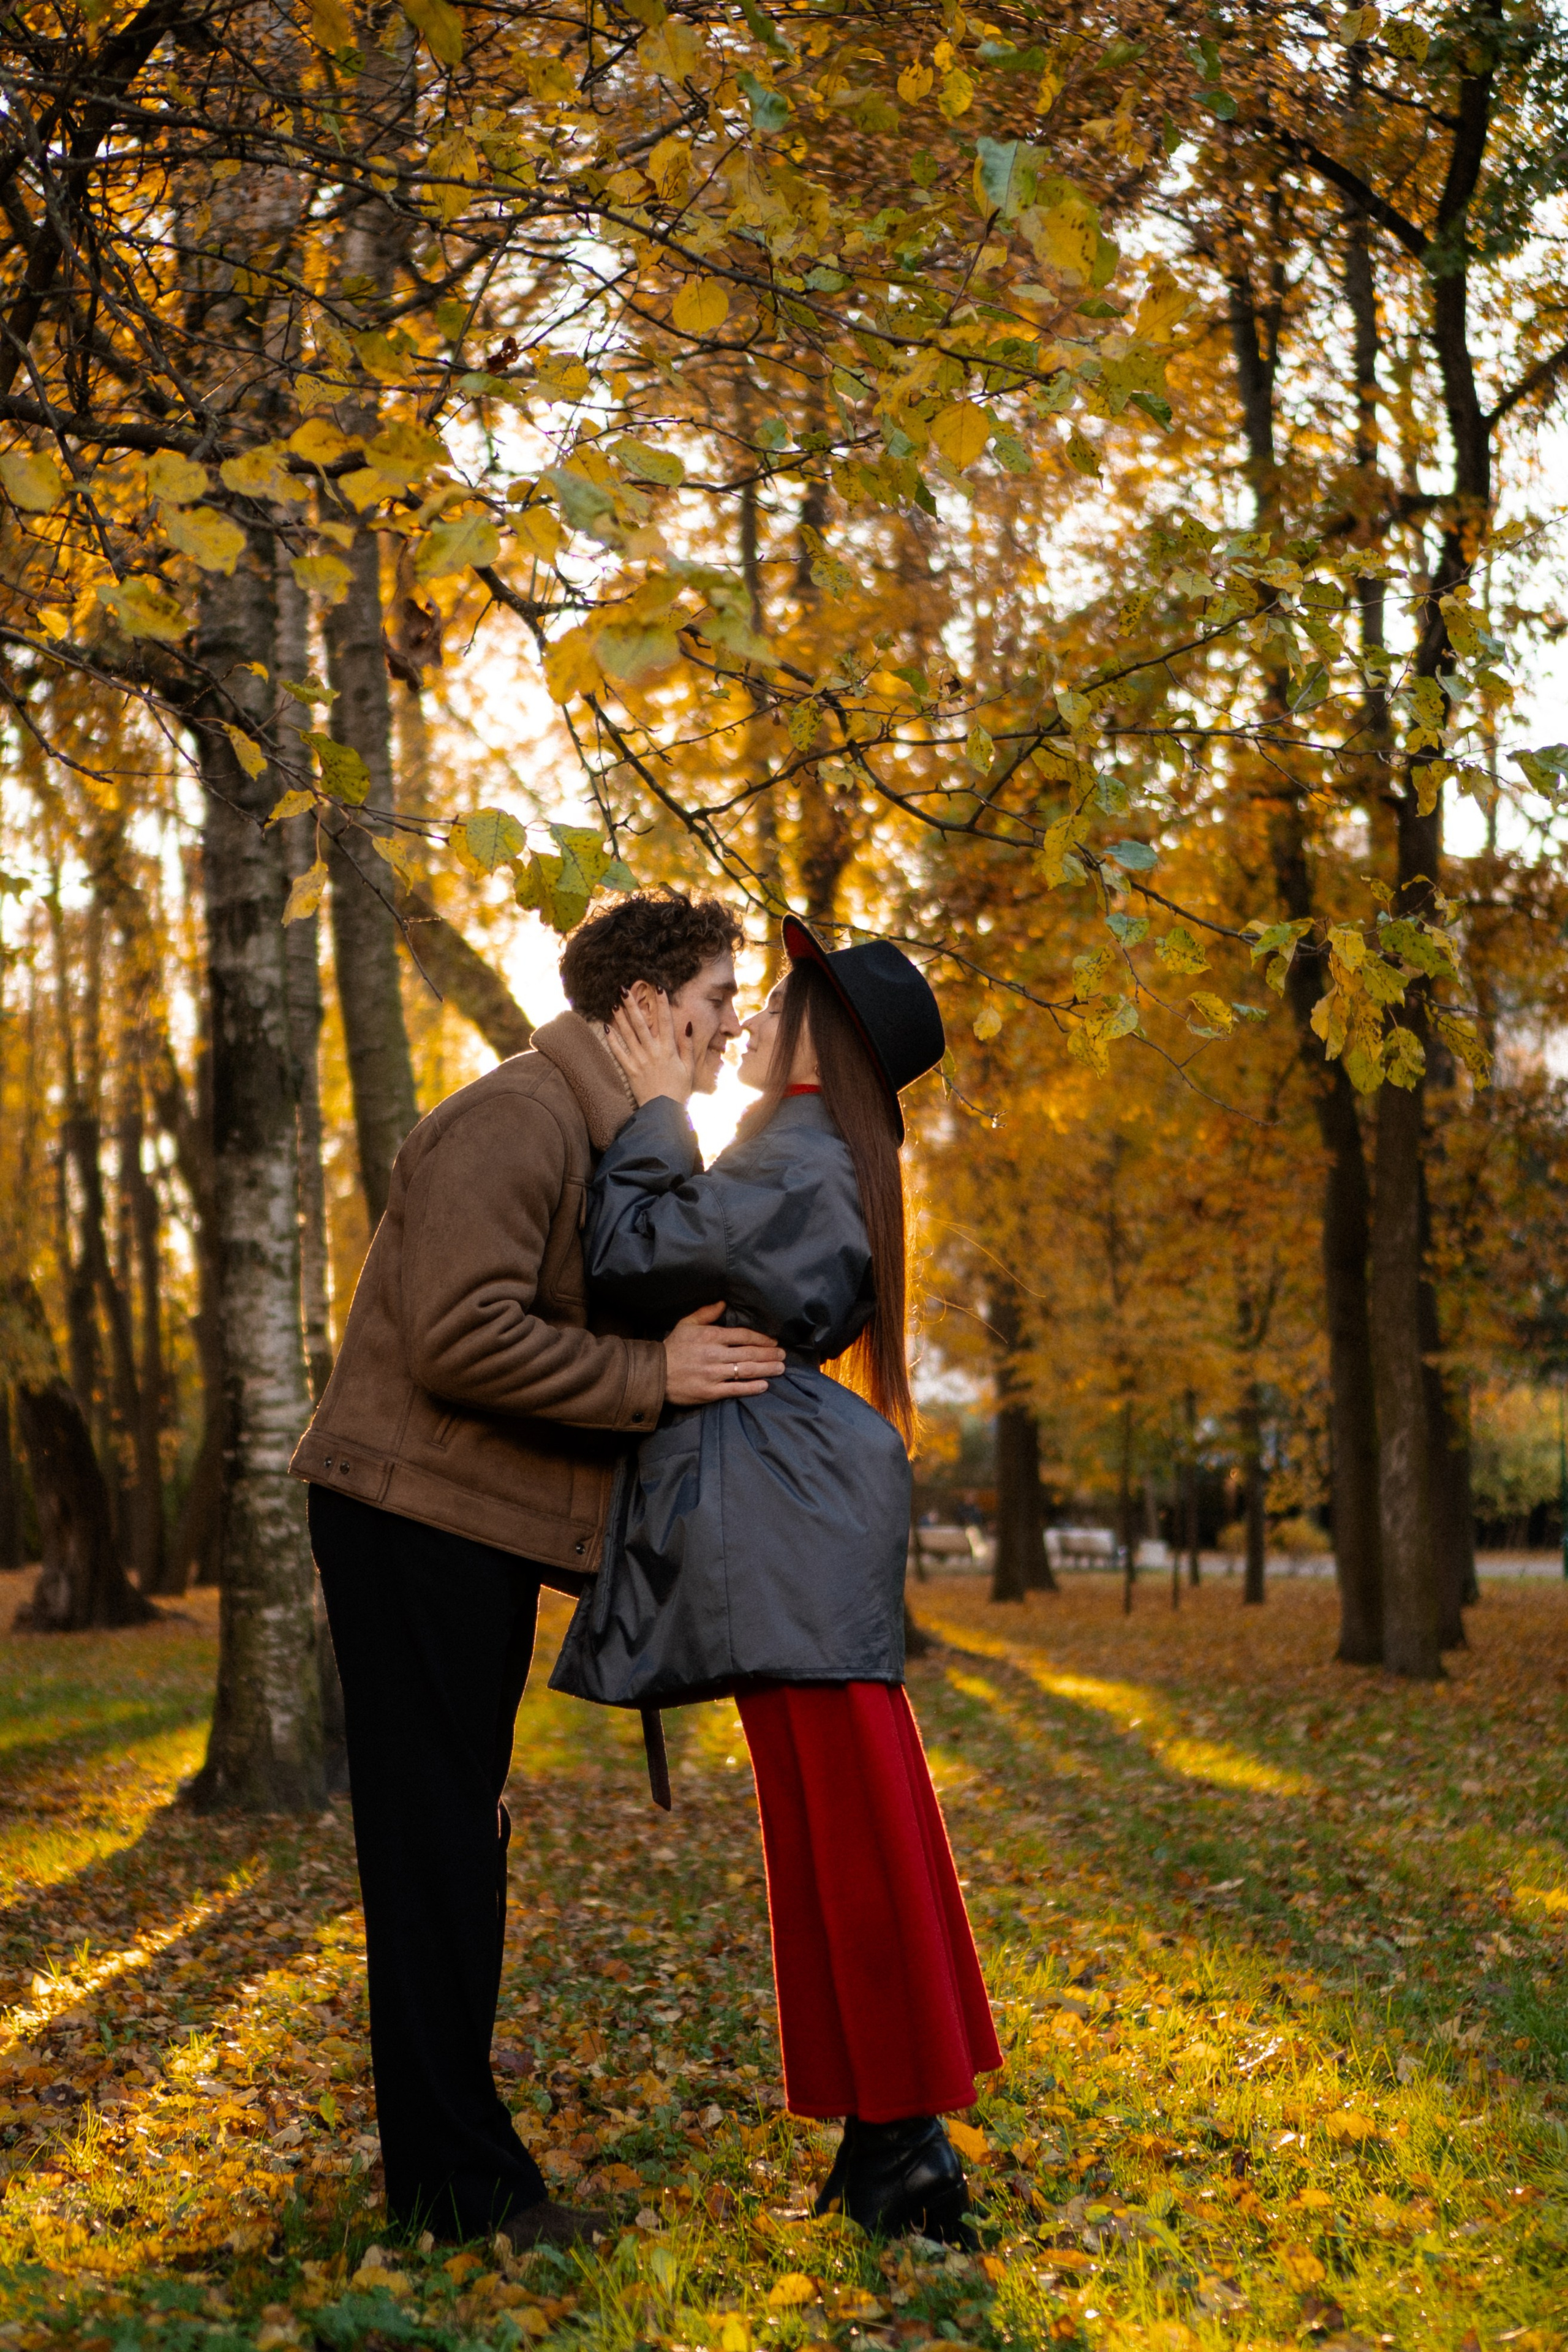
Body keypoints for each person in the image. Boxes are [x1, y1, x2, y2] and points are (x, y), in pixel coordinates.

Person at [291, 891, 788, 2250]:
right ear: (639, 1003)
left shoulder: (599, 1129)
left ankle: (454, 2175)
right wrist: (653, 1375)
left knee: (453, 1839)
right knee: (434, 1846)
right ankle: (459, 2195)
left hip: (461, 1523)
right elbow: (460, 1337)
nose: (729, 1019)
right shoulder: (513, 1119)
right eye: (713, 992)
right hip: (409, 1519)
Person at [551, 916, 1001, 2242]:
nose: (744, 1021)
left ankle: (910, 2153)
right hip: (788, 1514)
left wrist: (645, 1107)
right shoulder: (803, 1149)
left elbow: (630, 1254)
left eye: (775, 1001)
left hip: (788, 1523)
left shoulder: (801, 1152)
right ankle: (885, 2145)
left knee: (851, 1828)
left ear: (823, 1039)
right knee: (830, 1830)